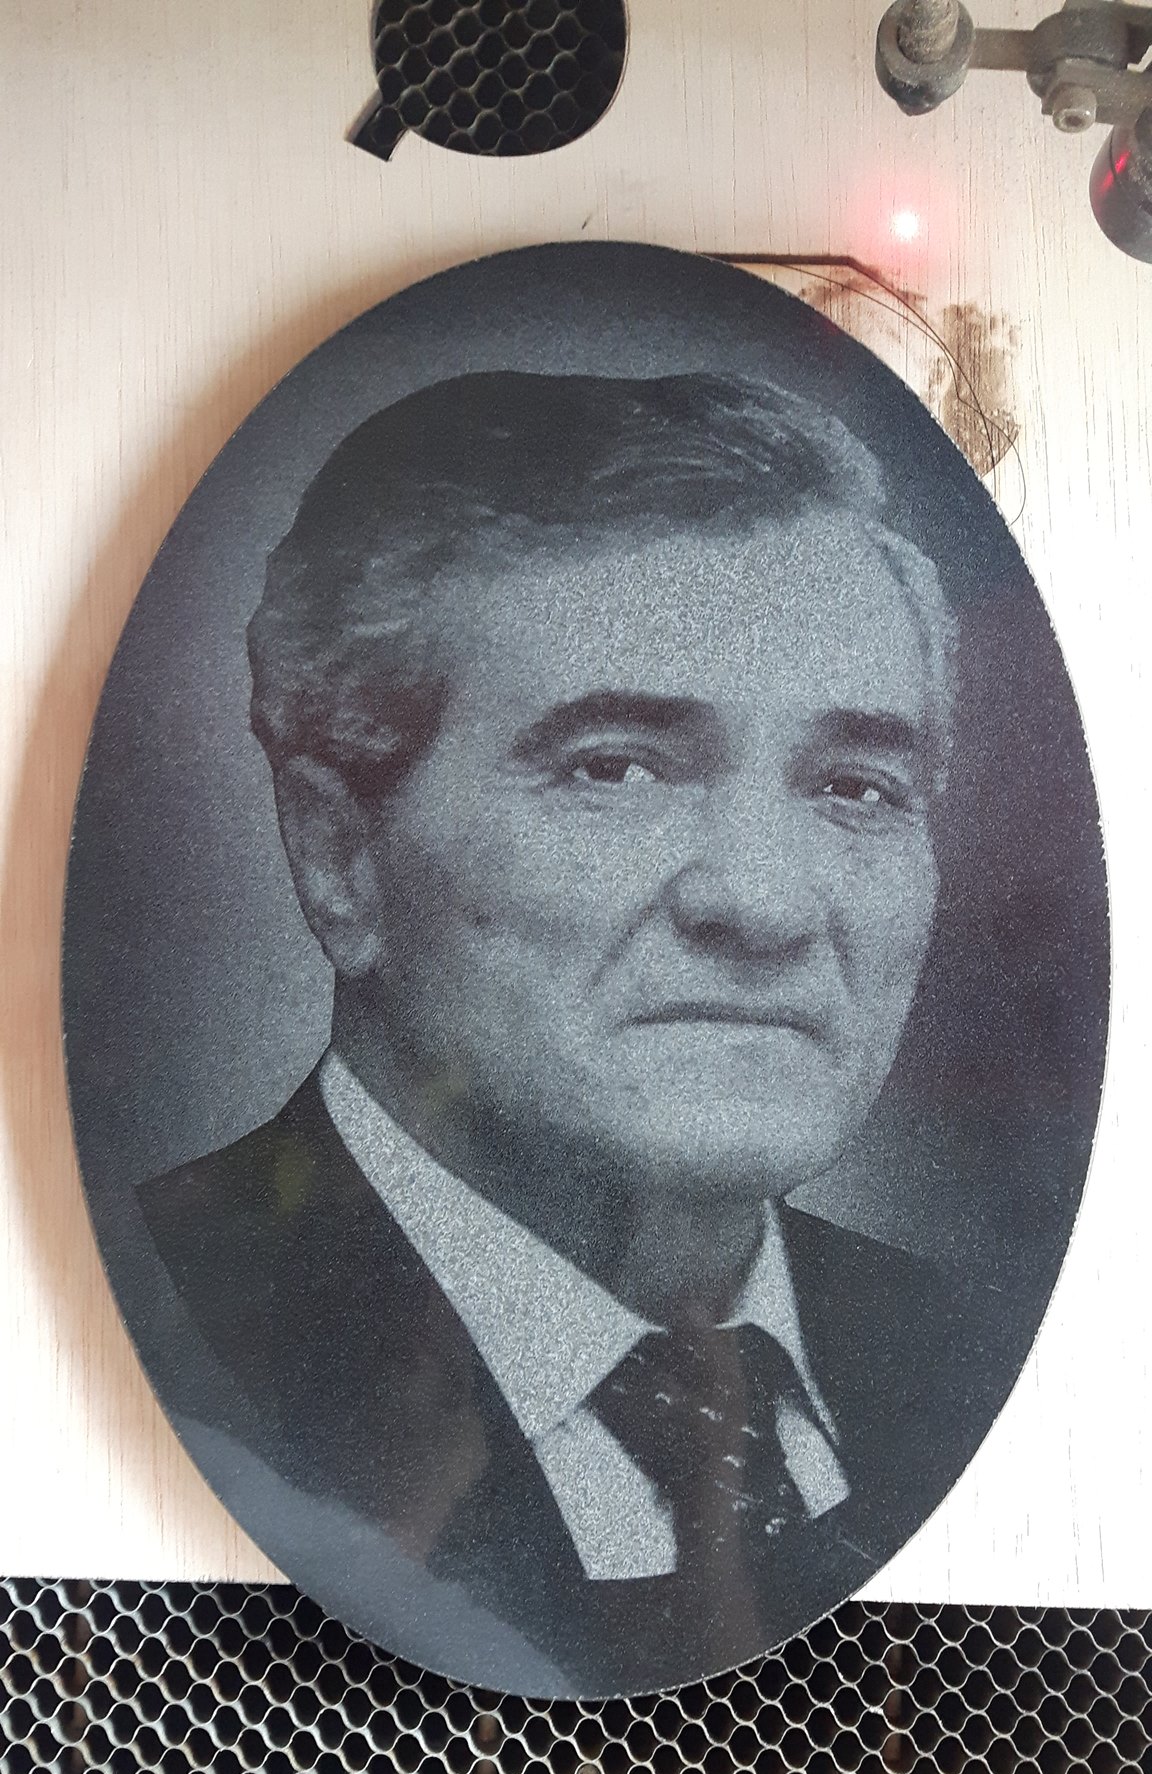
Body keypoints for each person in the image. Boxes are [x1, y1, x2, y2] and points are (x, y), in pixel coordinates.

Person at [139, 370, 992, 1696]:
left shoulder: (973, 1361)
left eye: (855, 786)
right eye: (616, 766)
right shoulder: (165, 1332)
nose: (765, 904)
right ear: (338, 855)